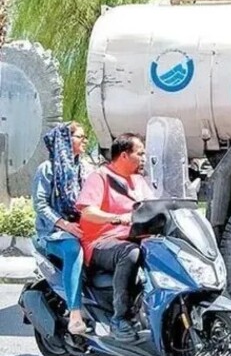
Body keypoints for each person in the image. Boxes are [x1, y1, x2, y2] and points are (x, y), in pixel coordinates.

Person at [75, 133, 154, 341]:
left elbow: (154, 207)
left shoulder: (139, 181)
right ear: (124, 155)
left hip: (135, 237)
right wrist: (118, 218)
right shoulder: (100, 177)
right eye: (140, 153)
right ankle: (120, 319)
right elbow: (87, 212)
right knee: (130, 254)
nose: (144, 158)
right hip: (101, 242)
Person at [31, 122, 89, 335]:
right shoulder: (47, 169)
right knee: (73, 249)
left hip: (81, 226)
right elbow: (40, 204)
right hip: (53, 233)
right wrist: (64, 225)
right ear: (65, 140)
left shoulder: (83, 169)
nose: (85, 141)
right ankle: (75, 314)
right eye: (80, 137)